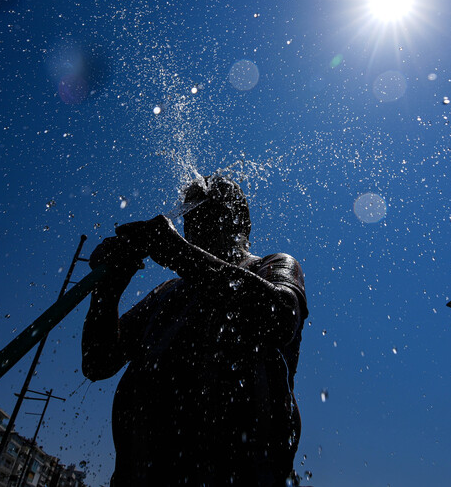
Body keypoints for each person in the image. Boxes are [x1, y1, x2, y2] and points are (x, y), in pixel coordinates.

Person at [82, 175, 307, 487]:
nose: (198, 224)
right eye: (191, 215)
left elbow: (279, 316)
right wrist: (108, 290)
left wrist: (178, 253)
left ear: (241, 222)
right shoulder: (166, 293)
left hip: (243, 475)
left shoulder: (273, 266)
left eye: (211, 212)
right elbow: (99, 361)